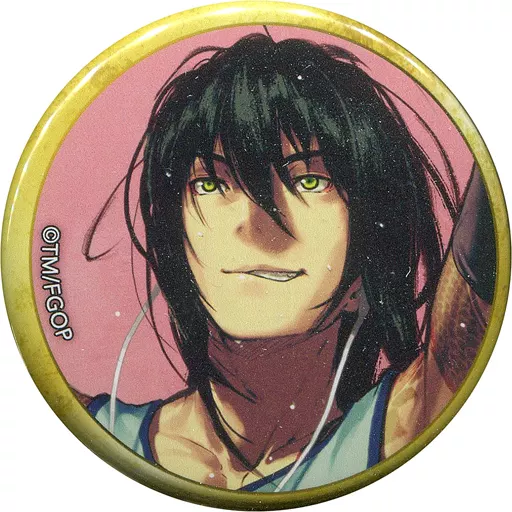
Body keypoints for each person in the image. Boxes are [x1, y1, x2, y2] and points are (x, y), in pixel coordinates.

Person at [80, 33, 495, 491]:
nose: (257, 222)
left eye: (310, 180)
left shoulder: (409, 421)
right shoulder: (83, 428)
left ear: (369, 236)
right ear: (174, 235)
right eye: (212, 182)